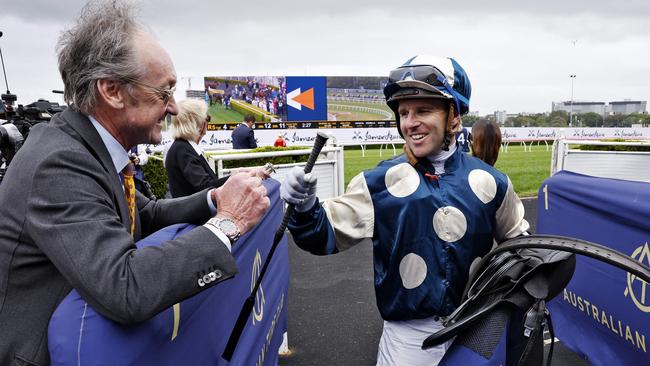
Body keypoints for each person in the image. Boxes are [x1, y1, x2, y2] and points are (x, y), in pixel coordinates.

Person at [0, 1, 270, 364]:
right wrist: (229, 222)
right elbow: (125, 287)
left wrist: (217, 198)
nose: (174, 107)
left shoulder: (87, 146)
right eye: (163, 92)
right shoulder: (60, 162)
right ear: (111, 90)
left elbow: (146, 214)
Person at [280, 55, 529, 365]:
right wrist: (305, 208)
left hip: (475, 333)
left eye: (423, 110)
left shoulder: (494, 182)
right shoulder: (376, 183)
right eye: (404, 112)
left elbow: (521, 247)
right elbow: (323, 236)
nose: (410, 122)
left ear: (454, 116)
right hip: (408, 344)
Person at [165, 99, 229, 198]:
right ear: (198, 122)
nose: (207, 122)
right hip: (194, 212)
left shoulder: (183, 147)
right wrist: (236, 178)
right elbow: (205, 187)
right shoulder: (183, 149)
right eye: (207, 118)